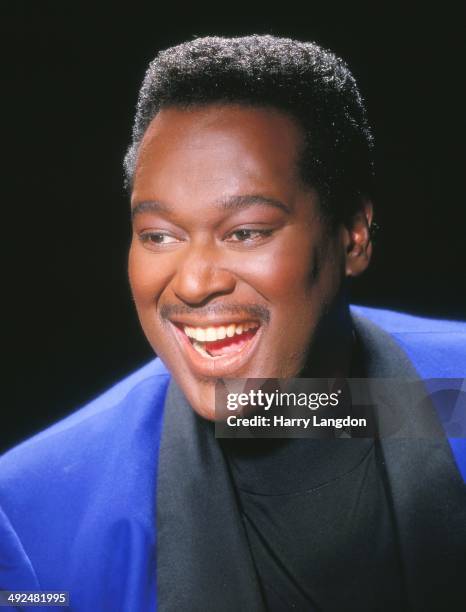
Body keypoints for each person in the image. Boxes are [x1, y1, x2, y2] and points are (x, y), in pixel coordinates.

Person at [0, 35, 465, 612]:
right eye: (159, 236)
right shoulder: (30, 515)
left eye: (246, 232)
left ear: (353, 235)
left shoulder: (457, 394)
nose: (193, 283)